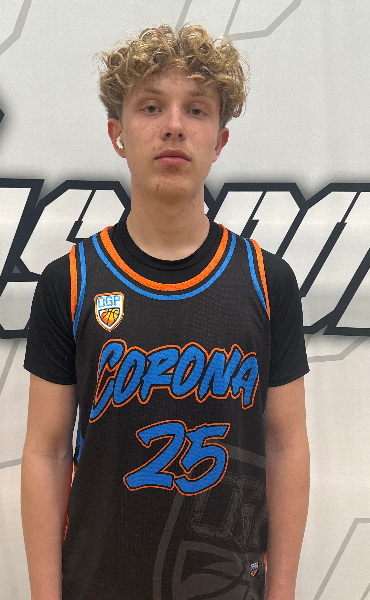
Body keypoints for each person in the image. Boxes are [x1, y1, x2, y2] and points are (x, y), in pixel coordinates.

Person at [21, 23, 310, 600]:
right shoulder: (70, 282)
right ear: (118, 134)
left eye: (196, 110)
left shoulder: (267, 281)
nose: (174, 125)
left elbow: (286, 446)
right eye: (151, 106)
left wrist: (283, 592)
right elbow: (46, 452)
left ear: (219, 140)